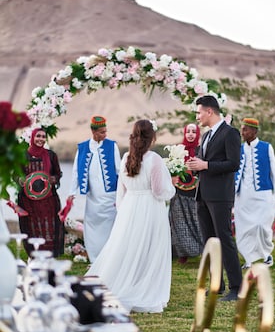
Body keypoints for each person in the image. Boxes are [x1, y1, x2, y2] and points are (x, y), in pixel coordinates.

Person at [87, 119, 176, 313]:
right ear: (152, 137)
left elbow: (121, 189)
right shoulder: (154, 159)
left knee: (127, 247)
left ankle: (124, 282)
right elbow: (159, 191)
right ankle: (143, 287)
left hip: (129, 206)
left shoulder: (126, 156)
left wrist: (123, 209)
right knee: (150, 249)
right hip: (151, 208)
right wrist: (173, 188)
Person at [186, 95, 242, 301]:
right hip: (202, 195)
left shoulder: (230, 133)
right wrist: (195, 165)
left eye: (199, 112)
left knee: (224, 239)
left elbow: (233, 164)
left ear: (209, 111)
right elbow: (204, 162)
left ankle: (237, 287)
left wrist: (206, 165)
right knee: (210, 242)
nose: (197, 116)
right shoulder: (205, 136)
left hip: (220, 196)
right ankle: (217, 284)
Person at [234, 117, 275, 269]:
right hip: (242, 195)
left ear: (254, 131)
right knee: (243, 228)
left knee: (262, 226)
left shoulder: (266, 147)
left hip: (263, 194)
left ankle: (266, 255)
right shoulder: (239, 149)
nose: (242, 132)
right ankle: (248, 259)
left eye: (245, 129)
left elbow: (274, 172)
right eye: (242, 129)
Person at [68, 115, 121, 263]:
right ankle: (95, 258)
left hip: (110, 195)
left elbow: (119, 170)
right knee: (91, 225)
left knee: (110, 226)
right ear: (93, 131)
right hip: (92, 196)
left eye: (106, 131)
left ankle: (110, 258)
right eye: (102, 132)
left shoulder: (112, 146)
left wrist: (123, 191)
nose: (105, 135)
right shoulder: (82, 147)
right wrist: (72, 192)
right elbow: (75, 172)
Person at [18, 127, 64, 257]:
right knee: (31, 226)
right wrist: (21, 180)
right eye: (38, 136)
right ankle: (34, 255)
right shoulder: (23, 156)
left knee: (50, 226)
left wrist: (53, 179)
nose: (41, 139)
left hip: (48, 199)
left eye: (43, 137)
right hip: (28, 200)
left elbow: (57, 173)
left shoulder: (51, 155)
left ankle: (49, 255)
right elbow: (16, 174)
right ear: (32, 137)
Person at [169, 123, 204, 263]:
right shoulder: (177, 150)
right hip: (179, 193)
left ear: (197, 134)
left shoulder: (201, 150)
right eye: (188, 131)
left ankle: (202, 251)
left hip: (196, 193)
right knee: (178, 223)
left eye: (193, 132)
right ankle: (182, 253)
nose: (190, 134)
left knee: (198, 223)